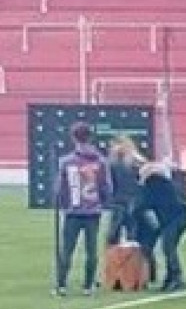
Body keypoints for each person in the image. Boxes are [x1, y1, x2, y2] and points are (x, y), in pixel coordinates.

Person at [53, 122, 112, 296]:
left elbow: (60, 188)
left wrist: (62, 203)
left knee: (67, 249)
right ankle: (88, 286)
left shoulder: (66, 162)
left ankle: (62, 284)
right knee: (91, 249)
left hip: (73, 211)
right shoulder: (100, 161)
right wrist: (102, 201)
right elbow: (107, 187)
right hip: (93, 211)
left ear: (73, 138)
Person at [134, 160, 186, 293]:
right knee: (169, 247)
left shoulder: (153, 184)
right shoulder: (167, 184)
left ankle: (176, 277)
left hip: (175, 217)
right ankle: (171, 277)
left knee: (168, 246)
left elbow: (142, 205)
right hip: (180, 216)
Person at [106, 137, 145, 249]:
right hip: (121, 201)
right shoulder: (113, 164)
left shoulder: (136, 163)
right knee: (115, 233)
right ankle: (115, 259)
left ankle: (129, 260)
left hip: (129, 201)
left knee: (129, 233)